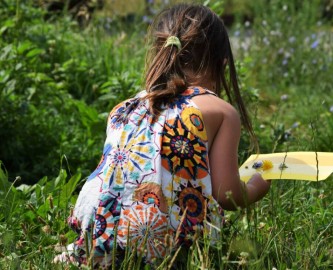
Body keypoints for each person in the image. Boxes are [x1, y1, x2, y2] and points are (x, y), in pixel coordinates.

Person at [54, 3, 271, 268]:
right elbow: (228, 196)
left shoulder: (124, 108)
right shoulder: (221, 111)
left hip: (97, 232)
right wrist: (259, 184)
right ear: (221, 63)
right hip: (158, 242)